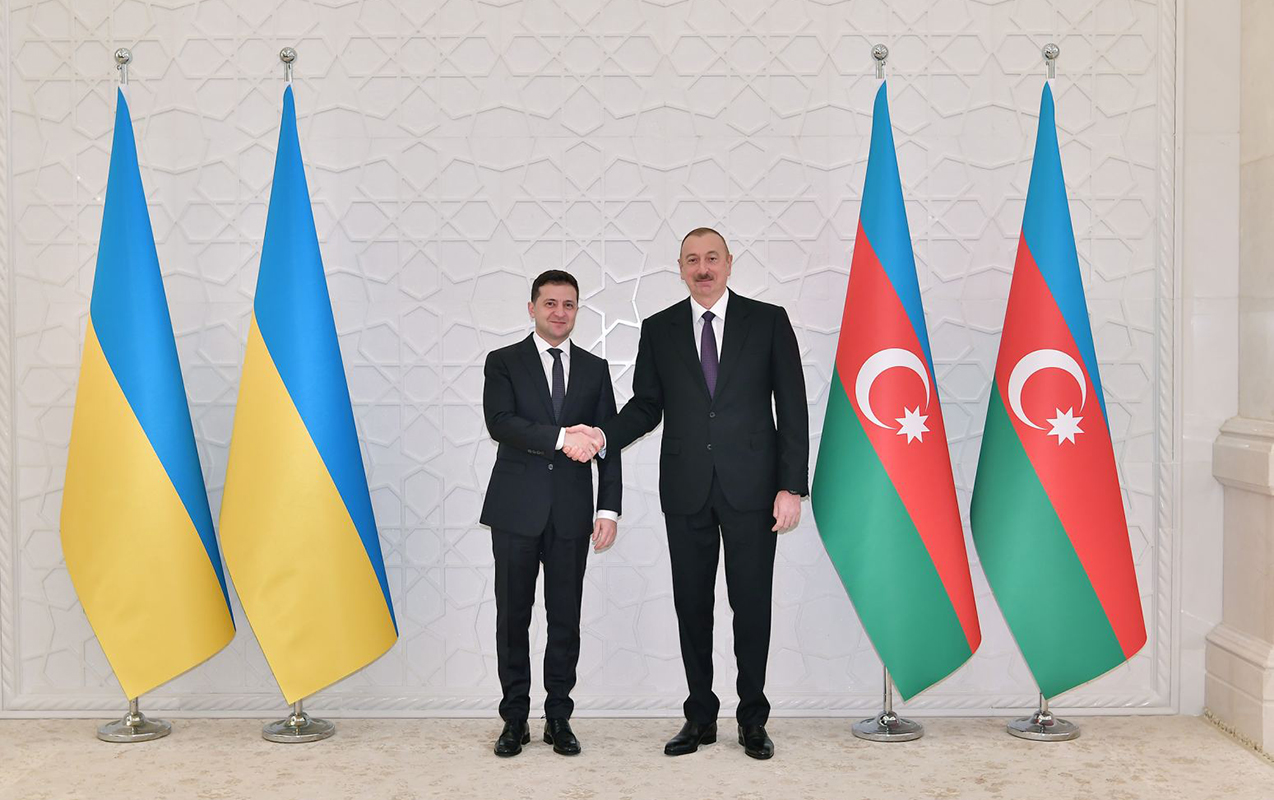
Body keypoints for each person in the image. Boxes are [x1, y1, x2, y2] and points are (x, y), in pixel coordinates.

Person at [567, 228, 808, 760]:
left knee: (752, 606)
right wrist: (603, 435)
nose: (703, 268)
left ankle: (752, 719)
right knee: (692, 607)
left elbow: (792, 405)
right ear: (680, 268)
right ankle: (700, 717)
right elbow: (646, 405)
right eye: (692, 260)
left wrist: (791, 486)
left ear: (729, 263)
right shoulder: (659, 328)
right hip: (686, 489)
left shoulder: (768, 320)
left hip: (754, 489)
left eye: (712, 258)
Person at [480, 269, 621, 757]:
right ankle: (514, 718)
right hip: (515, 511)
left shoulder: (595, 368)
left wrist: (609, 508)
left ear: (577, 310)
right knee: (512, 618)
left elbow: (608, 443)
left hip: (572, 513)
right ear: (532, 308)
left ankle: (558, 717)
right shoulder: (503, 362)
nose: (560, 312)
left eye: (569, 304)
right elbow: (501, 423)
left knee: (565, 618)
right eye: (550, 303)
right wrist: (563, 438)